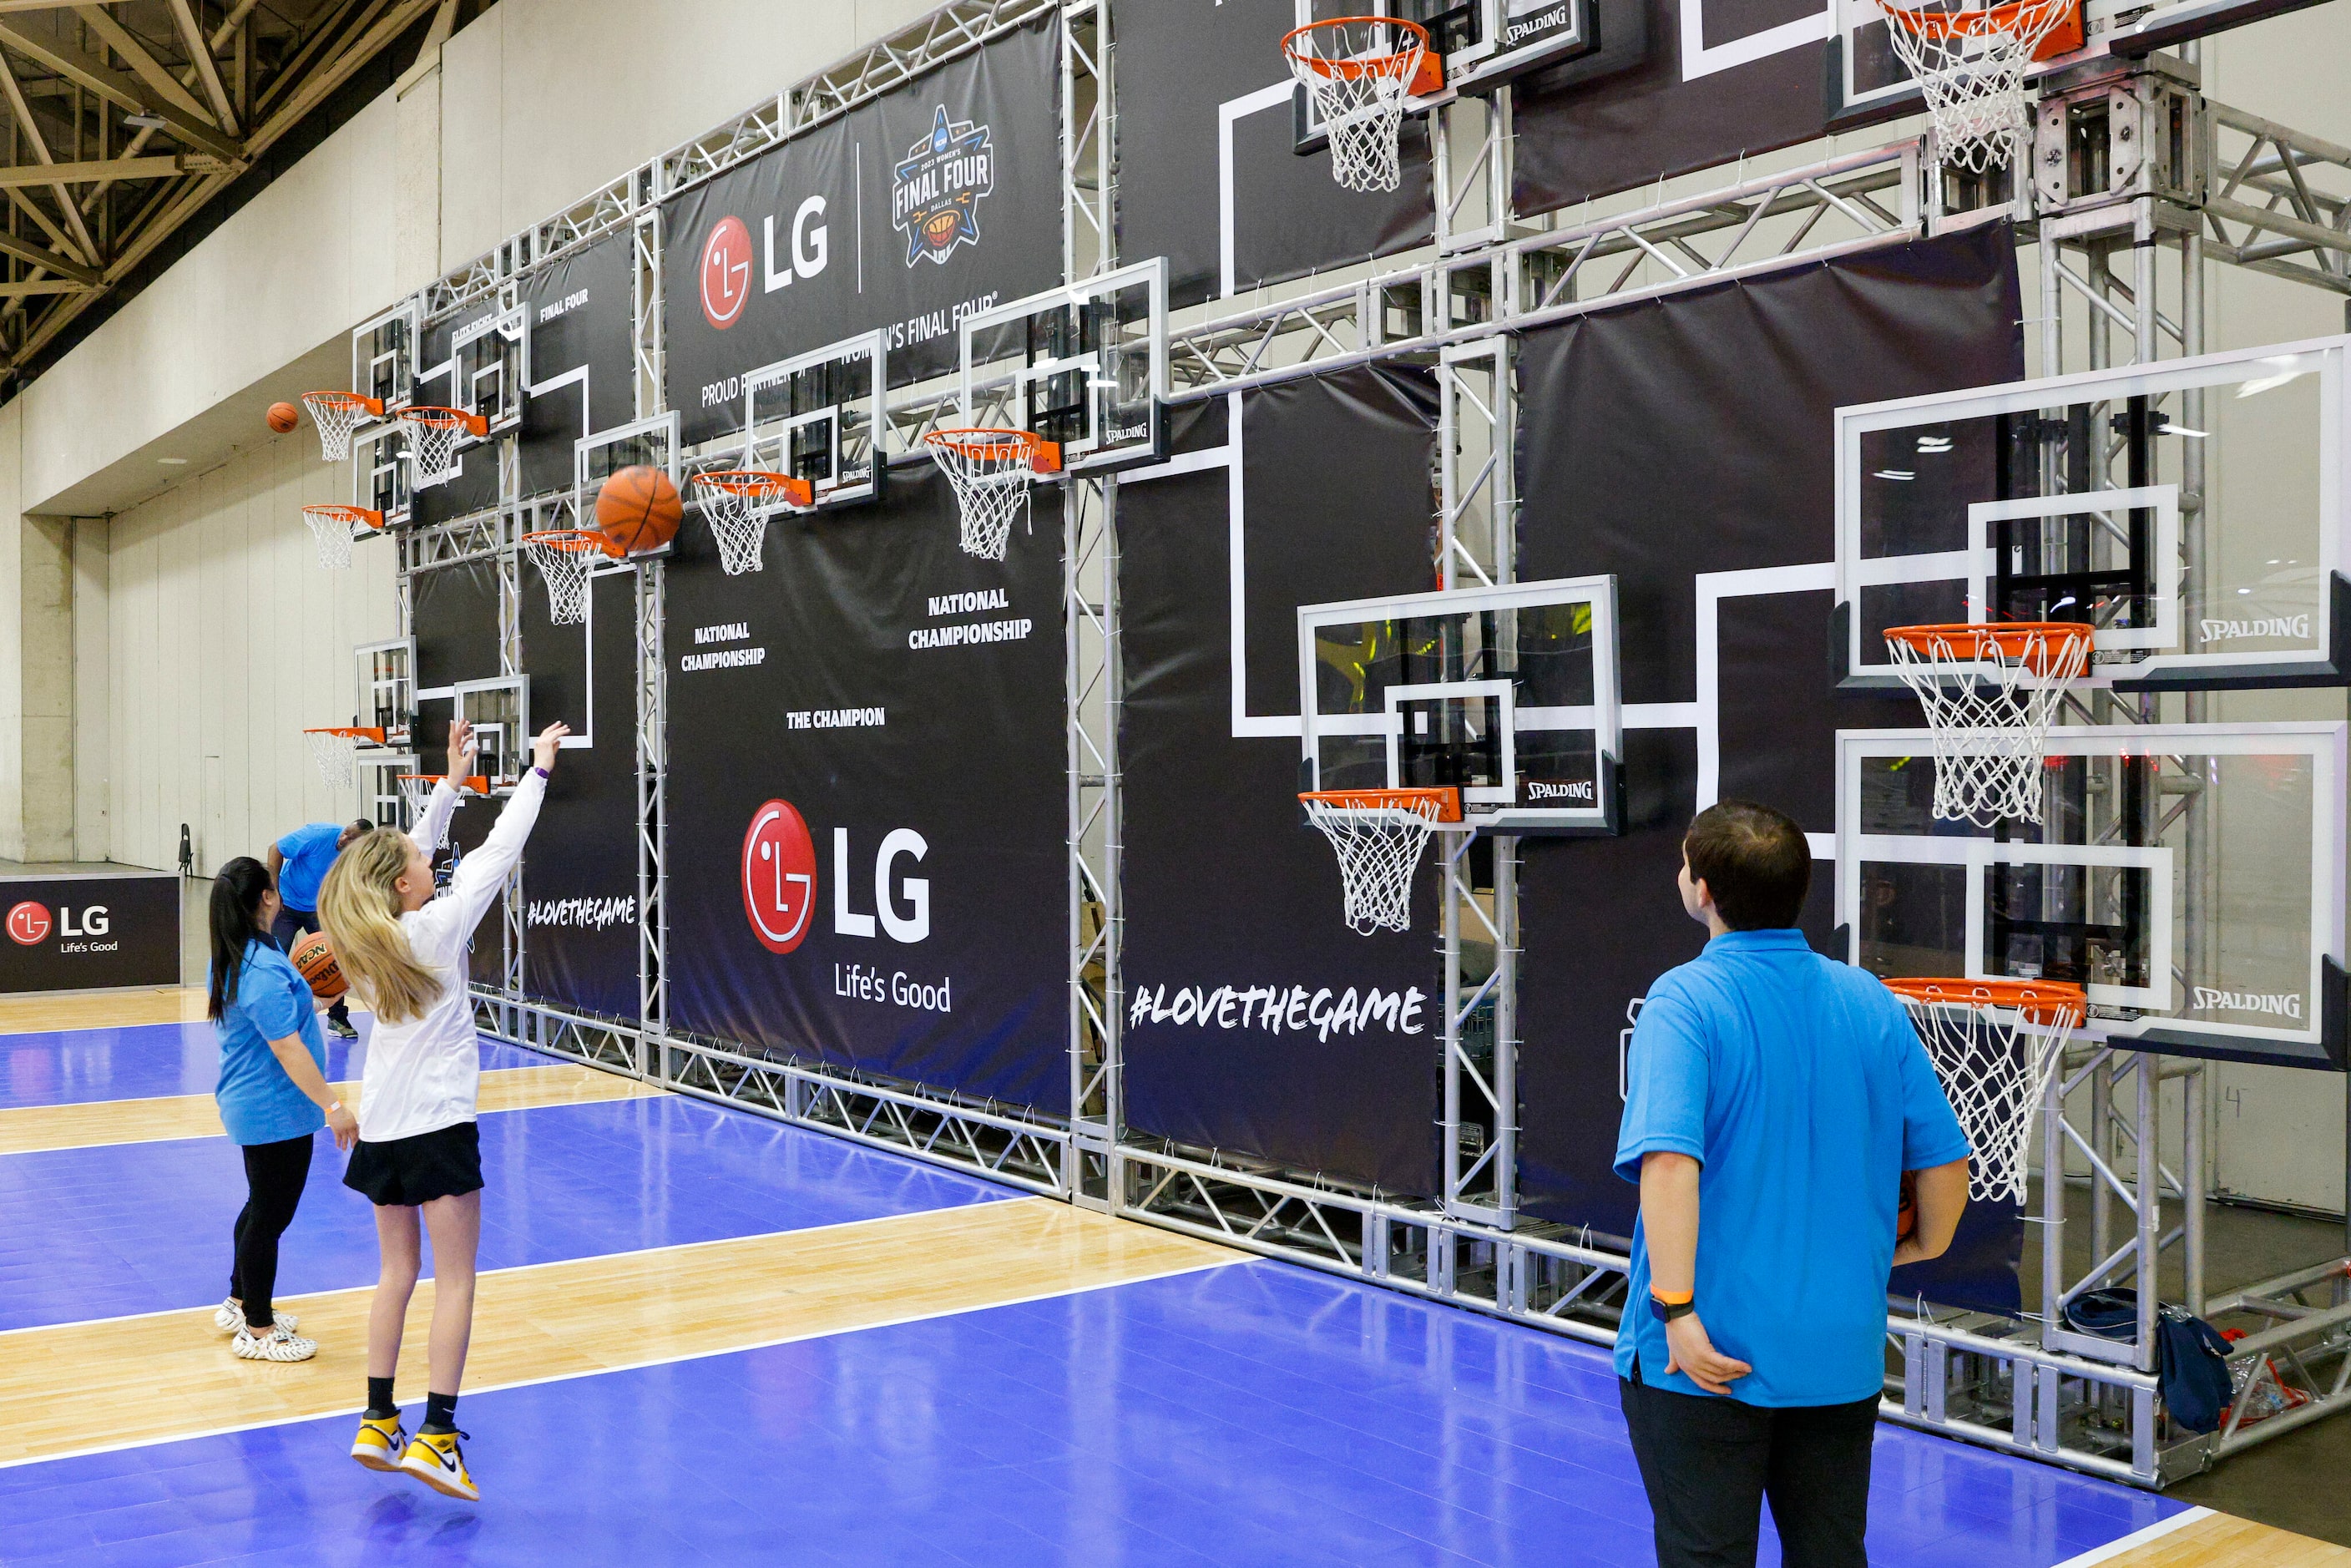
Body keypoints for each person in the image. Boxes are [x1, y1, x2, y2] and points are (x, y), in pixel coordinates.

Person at [1614, 800, 1974, 1568]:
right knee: (1831, 1554)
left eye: (1685, 865)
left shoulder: (1684, 1000)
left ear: (1703, 890)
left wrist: (1675, 1310)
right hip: (1838, 1352)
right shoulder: (1867, 998)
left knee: (1705, 1555)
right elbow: (1945, 1159)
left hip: (1704, 1360)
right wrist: (1918, 1246)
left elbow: (1670, 1164)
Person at [322, 718, 567, 1503]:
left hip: (384, 1131)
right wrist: (535, 774)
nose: (432, 864)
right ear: (403, 885)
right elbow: (497, 855)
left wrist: (453, 783)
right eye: (422, 865)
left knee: (397, 1274)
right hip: (439, 1125)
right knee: (456, 1280)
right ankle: (437, 1434)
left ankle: (376, 1417)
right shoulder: (434, 928)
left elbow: (402, 858)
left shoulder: (366, 941)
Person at [205, 857, 361, 1363]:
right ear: (268, 899)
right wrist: (334, 1105)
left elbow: (272, 1020)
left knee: (259, 1206)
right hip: (274, 1107)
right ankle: (259, 1329)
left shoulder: (237, 954)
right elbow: (287, 1048)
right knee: (270, 1216)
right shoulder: (264, 967)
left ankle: (240, 1301)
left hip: (258, 1102)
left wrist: (315, 1001)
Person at [269, 814, 376, 1039]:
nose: (344, 838)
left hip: (319, 908)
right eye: (346, 832)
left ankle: (337, 1019)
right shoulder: (318, 835)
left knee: (335, 960)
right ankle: (271, 1013)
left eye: (352, 838)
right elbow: (275, 849)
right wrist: (274, 891)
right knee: (275, 957)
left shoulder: (357, 858)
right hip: (287, 902)